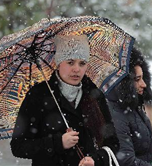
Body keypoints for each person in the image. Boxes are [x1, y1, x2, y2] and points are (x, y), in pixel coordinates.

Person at [10, 35, 120, 166]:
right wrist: (58, 143)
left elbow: (112, 142)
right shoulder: (38, 95)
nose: (76, 69)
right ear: (59, 62)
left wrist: (95, 159)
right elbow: (19, 146)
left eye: (82, 63)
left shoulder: (94, 95)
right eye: (70, 62)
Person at [106, 47, 152, 166]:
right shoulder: (115, 114)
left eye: (143, 77)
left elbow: (148, 151)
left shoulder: (134, 106)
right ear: (123, 83)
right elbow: (126, 161)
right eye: (137, 79)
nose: (144, 84)